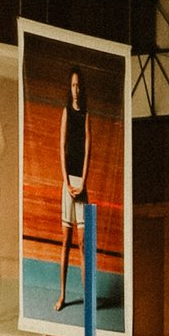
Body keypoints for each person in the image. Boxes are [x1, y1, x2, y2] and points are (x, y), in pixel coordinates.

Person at [56, 64, 93, 310]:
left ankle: (88, 298)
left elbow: (89, 150)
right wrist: (66, 183)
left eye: (79, 84)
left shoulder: (86, 114)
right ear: (69, 88)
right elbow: (60, 147)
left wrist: (83, 183)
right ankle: (62, 295)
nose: (76, 89)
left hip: (81, 185)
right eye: (72, 85)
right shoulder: (67, 112)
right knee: (66, 243)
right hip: (67, 184)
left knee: (82, 244)